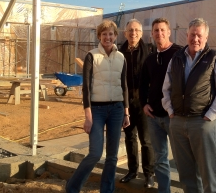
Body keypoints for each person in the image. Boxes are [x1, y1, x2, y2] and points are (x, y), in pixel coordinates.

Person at [162, 17, 216, 193]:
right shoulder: (176, 59)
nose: (195, 39)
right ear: (187, 35)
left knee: (210, 174)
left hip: (202, 123)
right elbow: (166, 88)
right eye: (192, 35)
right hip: (177, 122)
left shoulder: (215, 59)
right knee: (186, 175)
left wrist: (210, 115)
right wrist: (170, 111)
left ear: (206, 37)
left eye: (199, 35)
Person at [66, 19, 130, 193]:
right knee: (95, 153)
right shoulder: (91, 56)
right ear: (99, 36)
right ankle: (72, 187)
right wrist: (88, 116)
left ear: (115, 36)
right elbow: (86, 87)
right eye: (104, 34)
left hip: (117, 109)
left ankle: (107, 190)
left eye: (110, 34)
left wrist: (126, 113)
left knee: (112, 156)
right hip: (97, 110)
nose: (107, 37)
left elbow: (123, 86)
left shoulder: (121, 57)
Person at [139, 18, 182, 193]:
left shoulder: (179, 53)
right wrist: (144, 104)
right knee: (160, 158)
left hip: (174, 117)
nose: (159, 33)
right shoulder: (150, 59)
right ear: (152, 34)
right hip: (154, 117)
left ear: (169, 32)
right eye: (156, 30)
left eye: (162, 30)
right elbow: (143, 84)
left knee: (182, 157)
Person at [119, 19, 155, 188]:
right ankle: (132, 170)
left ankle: (149, 174)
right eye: (130, 30)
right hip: (126, 103)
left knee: (146, 140)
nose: (133, 33)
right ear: (125, 33)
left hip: (143, 104)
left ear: (141, 33)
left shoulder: (149, 50)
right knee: (129, 138)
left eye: (136, 30)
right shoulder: (119, 52)